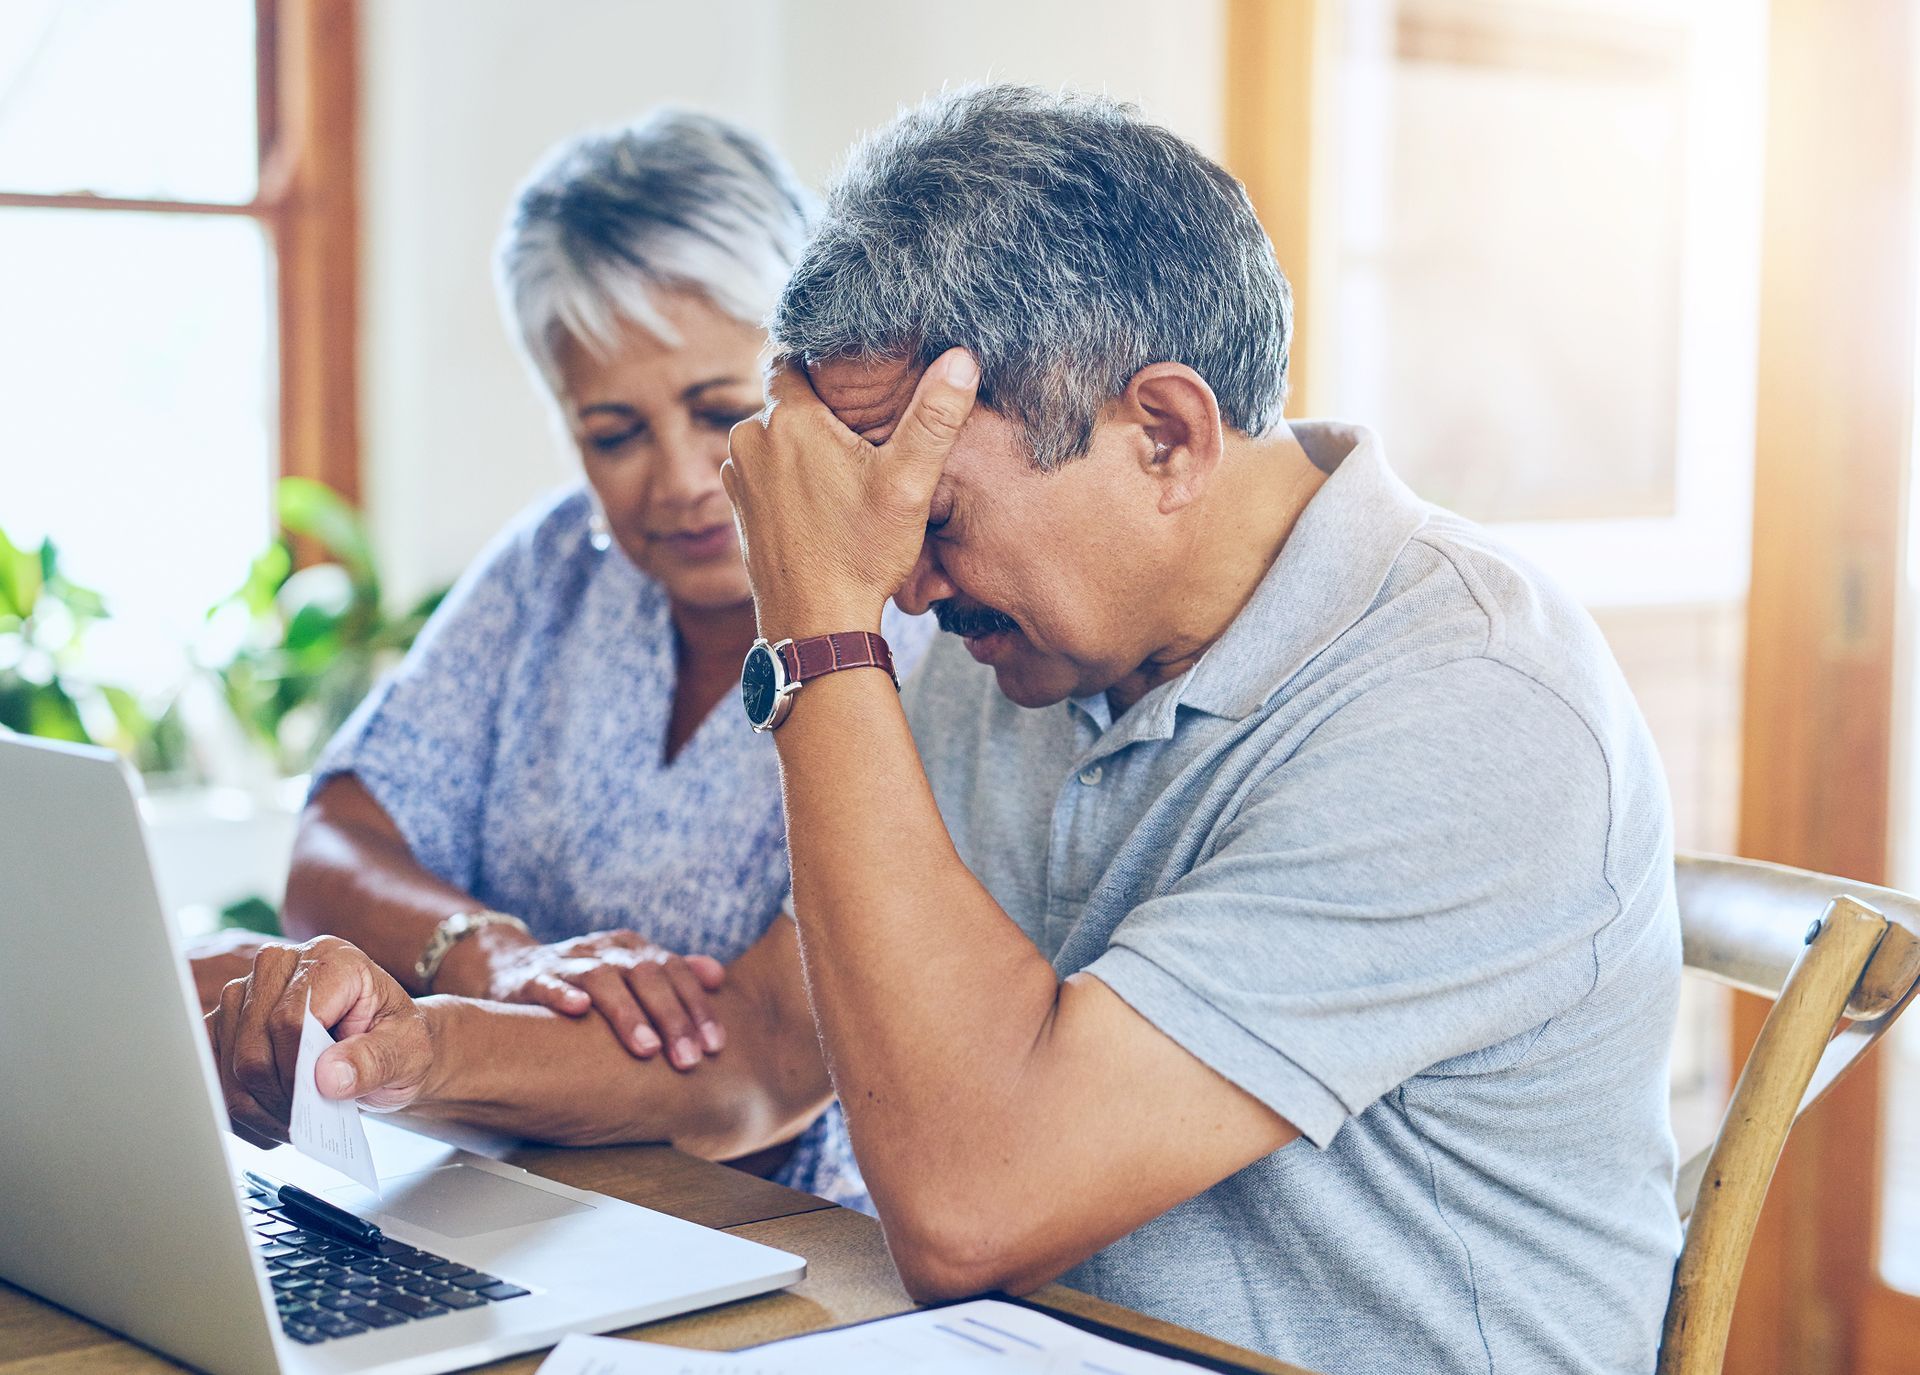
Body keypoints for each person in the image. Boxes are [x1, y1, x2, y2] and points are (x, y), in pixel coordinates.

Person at [207, 87, 1680, 1373]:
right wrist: (411, 1054)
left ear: (1163, 434)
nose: (905, 583)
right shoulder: (1029, 643)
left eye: (932, 520)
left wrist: (819, 631)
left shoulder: (1470, 705)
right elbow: (768, 1049)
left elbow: (975, 1205)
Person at [196, 110, 927, 1207]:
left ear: (815, 376)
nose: (679, 478)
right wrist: (495, 956)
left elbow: (767, 1057)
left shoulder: (918, 620)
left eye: (719, 409)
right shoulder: (553, 566)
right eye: (613, 432)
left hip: (795, 1228)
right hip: (489, 1192)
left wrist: (433, 1043)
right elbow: (335, 843)